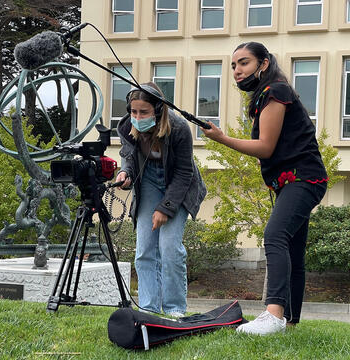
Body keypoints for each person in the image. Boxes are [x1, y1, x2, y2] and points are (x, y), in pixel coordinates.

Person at [201, 42, 328, 335]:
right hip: (293, 182)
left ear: (264, 64)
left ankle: (274, 313)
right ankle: (291, 322)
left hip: (303, 179)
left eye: (243, 63)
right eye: (233, 65)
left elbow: (265, 147)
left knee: (275, 234)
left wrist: (221, 139)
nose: (237, 71)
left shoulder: (276, 92)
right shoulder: (265, 96)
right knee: (293, 249)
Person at [115, 82, 206, 317]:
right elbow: (129, 158)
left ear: (158, 109)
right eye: (133, 111)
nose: (137, 116)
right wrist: (126, 173)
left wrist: (165, 208)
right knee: (144, 248)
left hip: (178, 184)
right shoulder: (127, 127)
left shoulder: (178, 128)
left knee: (169, 248)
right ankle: (149, 308)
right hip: (148, 182)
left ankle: (175, 309)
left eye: (143, 112)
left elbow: (184, 173)